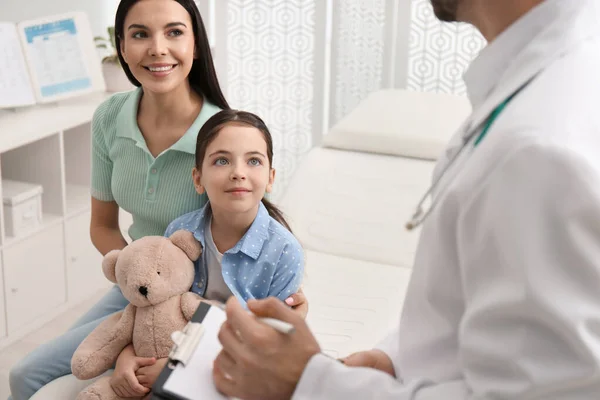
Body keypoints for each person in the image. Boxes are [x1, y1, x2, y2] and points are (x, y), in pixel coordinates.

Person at [213, 0, 600, 398]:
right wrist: (395, 361)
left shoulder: (539, 148)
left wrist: (311, 384)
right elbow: (491, 310)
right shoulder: (534, 89)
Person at [7, 1, 306, 399]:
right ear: (122, 47)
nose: (158, 48)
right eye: (140, 34)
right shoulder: (109, 117)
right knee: (24, 375)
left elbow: (254, 238)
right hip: (139, 287)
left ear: (196, 44)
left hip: (196, 305)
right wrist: (140, 284)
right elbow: (103, 226)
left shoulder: (222, 142)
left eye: (174, 32)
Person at [133, 109, 307, 389]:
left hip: (236, 370)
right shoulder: (179, 232)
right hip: (170, 350)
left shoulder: (285, 253)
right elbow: (154, 310)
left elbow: (271, 344)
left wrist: (178, 370)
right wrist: (129, 358)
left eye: (253, 161)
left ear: (270, 177)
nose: (238, 173)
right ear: (198, 178)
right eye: (222, 161)